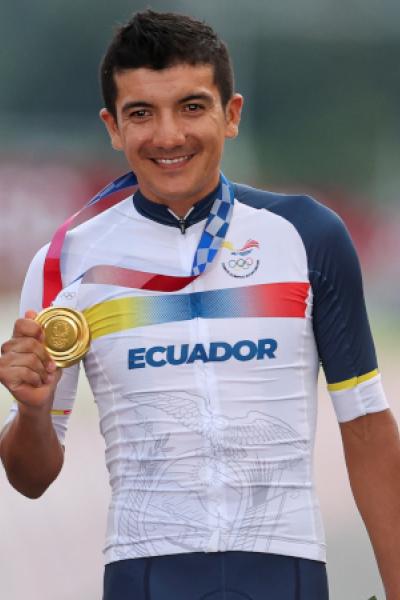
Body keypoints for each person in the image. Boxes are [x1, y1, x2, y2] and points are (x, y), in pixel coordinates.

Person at [0, 10, 399, 600]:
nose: (168, 136)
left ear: (230, 114)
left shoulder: (308, 236)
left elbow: (366, 430)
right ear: (113, 127)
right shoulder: (65, 264)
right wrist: (31, 413)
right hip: (143, 576)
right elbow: (31, 480)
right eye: (141, 113)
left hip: (285, 573)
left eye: (191, 106)